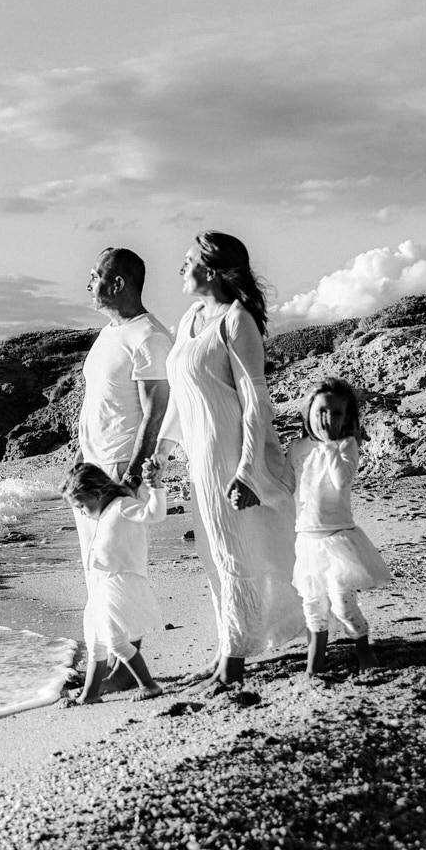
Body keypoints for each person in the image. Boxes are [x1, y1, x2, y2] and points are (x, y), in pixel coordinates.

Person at [162, 231, 301, 695]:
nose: (181, 268)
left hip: (229, 457)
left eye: (188, 261)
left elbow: (256, 402)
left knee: (233, 553)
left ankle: (234, 663)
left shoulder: (237, 321)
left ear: (213, 269)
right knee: (212, 556)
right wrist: (161, 449)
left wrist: (247, 470)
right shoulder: (189, 319)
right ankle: (226, 649)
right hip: (199, 460)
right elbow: (181, 394)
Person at [70, 248, 173, 689]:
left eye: (94, 276)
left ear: (117, 283)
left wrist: (131, 476)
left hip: (120, 470)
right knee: (96, 568)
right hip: (95, 469)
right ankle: (112, 661)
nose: (87, 283)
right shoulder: (110, 333)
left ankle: (125, 670)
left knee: (122, 568)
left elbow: (157, 408)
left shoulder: (149, 337)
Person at [288, 378, 393, 675]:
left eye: (337, 413)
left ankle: (364, 650)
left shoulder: (347, 444)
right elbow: (284, 485)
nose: (328, 418)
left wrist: (330, 444)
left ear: (347, 418)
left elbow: (341, 480)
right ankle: (315, 665)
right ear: (308, 412)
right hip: (306, 540)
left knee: (343, 605)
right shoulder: (297, 448)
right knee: (312, 607)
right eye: (321, 411)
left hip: (338, 539)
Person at [61, 462, 166, 704]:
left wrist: (156, 488)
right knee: (95, 642)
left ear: (97, 493)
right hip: (101, 585)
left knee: (115, 641)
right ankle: (90, 694)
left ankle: (148, 685)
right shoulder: (105, 512)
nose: (82, 512)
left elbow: (155, 514)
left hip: (120, 582)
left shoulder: (122, 506)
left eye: (82, 505)